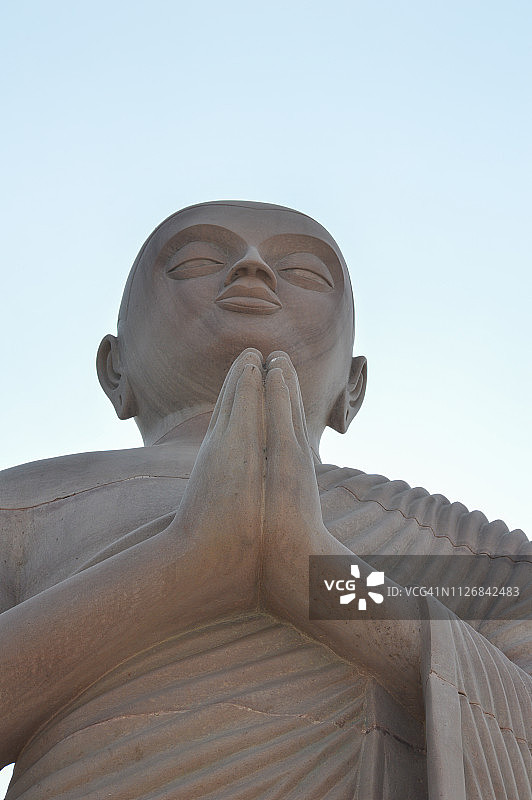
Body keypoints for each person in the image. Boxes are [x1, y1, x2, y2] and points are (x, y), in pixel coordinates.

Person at [0, 201, 530, 799]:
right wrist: (184, 565)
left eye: (304, 272)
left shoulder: (473, 553)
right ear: (115, 368)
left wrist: (319, 576)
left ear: (353, 388)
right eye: (197, 261)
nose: (251, 268)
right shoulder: (20, 506)